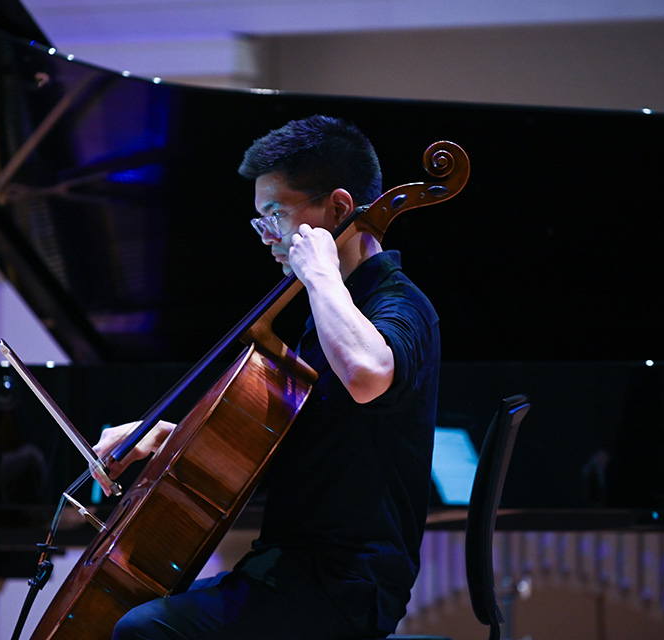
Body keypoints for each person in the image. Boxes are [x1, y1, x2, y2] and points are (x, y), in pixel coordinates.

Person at [94, 115, 441, 640]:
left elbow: (368, 374)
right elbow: (287, 446)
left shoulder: (399, 304)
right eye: (261, 220)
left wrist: (320, 272)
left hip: (344, 588)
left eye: (275, 215)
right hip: (288, 570)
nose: (267, 236)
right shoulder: (319, 318)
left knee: (146, 632)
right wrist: (167, 439)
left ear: (339, 209)